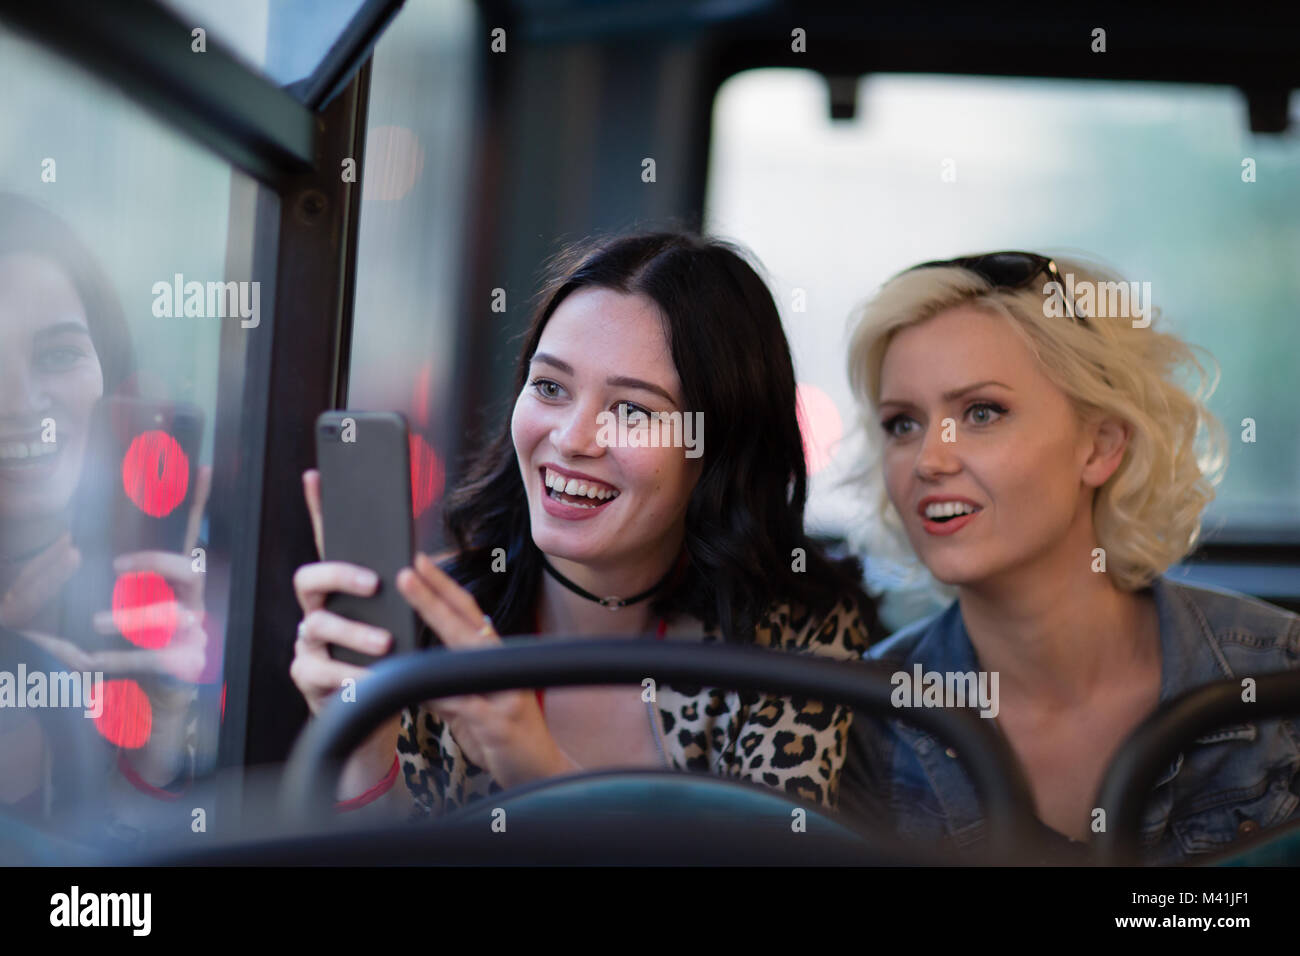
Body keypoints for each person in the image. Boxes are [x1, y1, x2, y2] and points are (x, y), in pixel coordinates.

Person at [290, 231, 879, 817]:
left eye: (632, 410)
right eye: (550, 387)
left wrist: (532, 763)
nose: (572, 439)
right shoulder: (434, 619)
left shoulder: (797, 641)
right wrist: (366, 752)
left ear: (719, 447)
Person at [837, 251, 1299, 864]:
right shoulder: (863, 718)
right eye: (903, 424)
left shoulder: (1278, 677)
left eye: (981, 413)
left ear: (1101, 446)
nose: (929, 460)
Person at [0, 193, 210, 849]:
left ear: (109, 378)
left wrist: (163, 706)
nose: (18, 401)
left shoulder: (117, 582)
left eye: (58, 355)